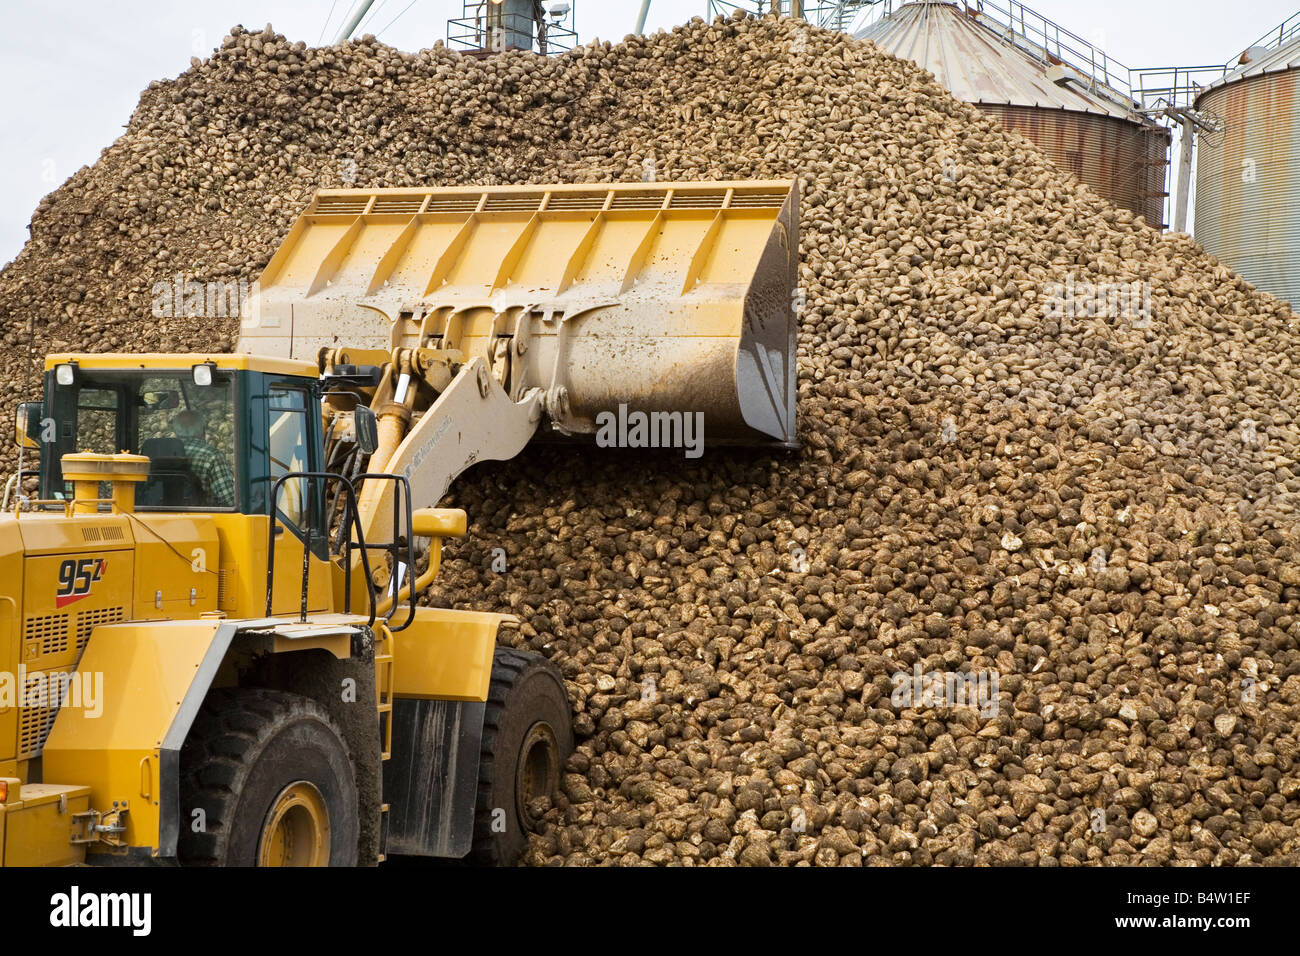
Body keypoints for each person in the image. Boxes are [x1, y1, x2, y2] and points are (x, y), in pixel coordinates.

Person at [172, 409, 236, 507]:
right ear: (202, 431)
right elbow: (230, 500)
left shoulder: (158, 453)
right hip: (200, 518)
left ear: (175, 431)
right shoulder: (212, 456)